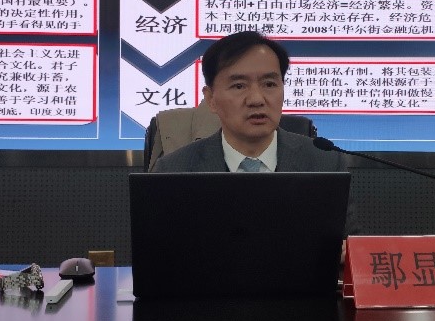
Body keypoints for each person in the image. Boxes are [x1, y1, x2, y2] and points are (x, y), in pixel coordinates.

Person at [152, 30, 358, 236]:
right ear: (211, 99)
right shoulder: (174, 170)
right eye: (239, 86)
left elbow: (351, 245)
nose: (256, 99)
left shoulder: (326, 164)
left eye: (269, 84)